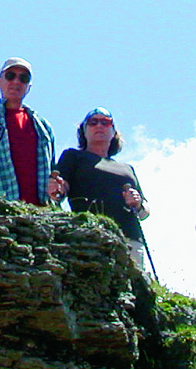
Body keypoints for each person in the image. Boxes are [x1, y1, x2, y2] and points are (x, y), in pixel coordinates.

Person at [50, 108, 149, 263]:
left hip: (130, 238)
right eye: (93, 122)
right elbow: (59, 190)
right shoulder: (73, 157)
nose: (99, 126)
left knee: (132, 277)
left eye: (105, 122)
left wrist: (138, 203)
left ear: (113, 132)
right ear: (84, 131)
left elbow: (144, 212)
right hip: (90, 234)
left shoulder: (127, 169)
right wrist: (56, 189)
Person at [0, 57, 56, 205]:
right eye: (10, 76)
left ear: (29, 87)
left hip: (41, 210)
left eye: (23, 78)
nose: (16, 82)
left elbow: (53, 170)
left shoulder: (43, 127)